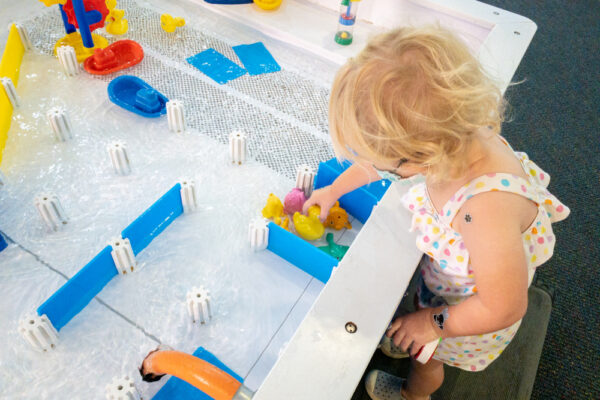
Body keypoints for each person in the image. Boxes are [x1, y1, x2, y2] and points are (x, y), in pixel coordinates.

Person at [302, 26, 569, 400]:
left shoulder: (483, 210)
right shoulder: (450, 131)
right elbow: (378, 162)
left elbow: (504, 304)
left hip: (468, 315)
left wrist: (431, 324)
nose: (380, 170)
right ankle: (411, 332)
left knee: (426, 361)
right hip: (449, 284)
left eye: (390, 167)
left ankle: (415, 394)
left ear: (423, 155)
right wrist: (332, 190)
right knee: (414, 324)